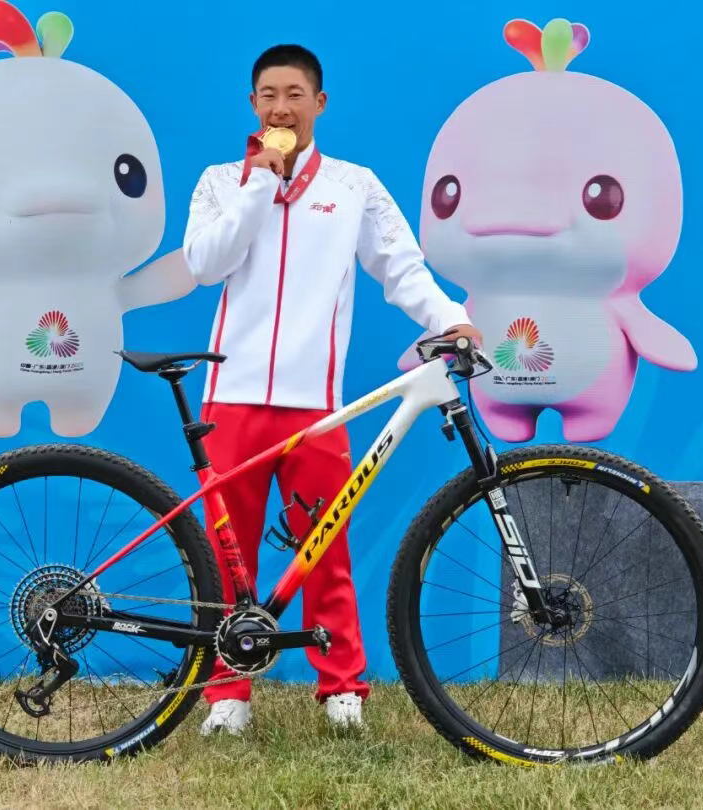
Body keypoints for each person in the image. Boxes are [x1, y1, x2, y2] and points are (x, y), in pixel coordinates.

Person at [182, 44, 482, 736]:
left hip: (315, 407)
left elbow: (401, 268)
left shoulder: (353, 186)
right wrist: (259, 184)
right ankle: (228, 693)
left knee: (324, 550)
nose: (280, 108)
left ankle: (342, 687)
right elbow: (204, 264)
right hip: (230, 399)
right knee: (229, 557)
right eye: (267, 95)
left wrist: (451, 319)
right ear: (252, 104)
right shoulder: (221, 181)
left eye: (294, 94)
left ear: (319, 103)